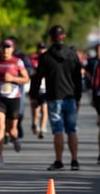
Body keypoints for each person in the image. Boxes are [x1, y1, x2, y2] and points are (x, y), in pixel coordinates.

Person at [30, 25, 82, 171]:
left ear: (51, 38)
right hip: (70, 96)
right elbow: (78, 79)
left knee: (58, 130)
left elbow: (38, 78)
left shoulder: (45, 56)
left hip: (53, 97)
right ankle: (74, 161)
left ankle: (59, 161)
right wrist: (78, 97)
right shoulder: (72, 55)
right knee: (72, 129)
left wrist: (34, 96)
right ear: (63, 36)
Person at [0, 38, 30, 165]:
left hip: (13, 98)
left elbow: (26, 79)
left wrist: (12, 78)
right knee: (0, 125)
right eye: (3, 47)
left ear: (13, 49)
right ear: (0, 48)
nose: (5, 49)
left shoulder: (18, 62)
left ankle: (15, 138)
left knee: (12, 129)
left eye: (8, 47)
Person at [29, 42, 48, 139]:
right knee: (35, 109)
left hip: (45, 88)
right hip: (35, 87)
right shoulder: (32, 59)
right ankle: (34, 123)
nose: (42, 50)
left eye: (43, 48)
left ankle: (41, 129)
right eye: (40, 48)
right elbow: (29, 71)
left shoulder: (48, 59)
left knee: (45, 110)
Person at [90, 48, 100, 164]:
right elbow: (95, 83)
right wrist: (93, 98)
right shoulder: (96, 64)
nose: (98, 53)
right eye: (97, 51)